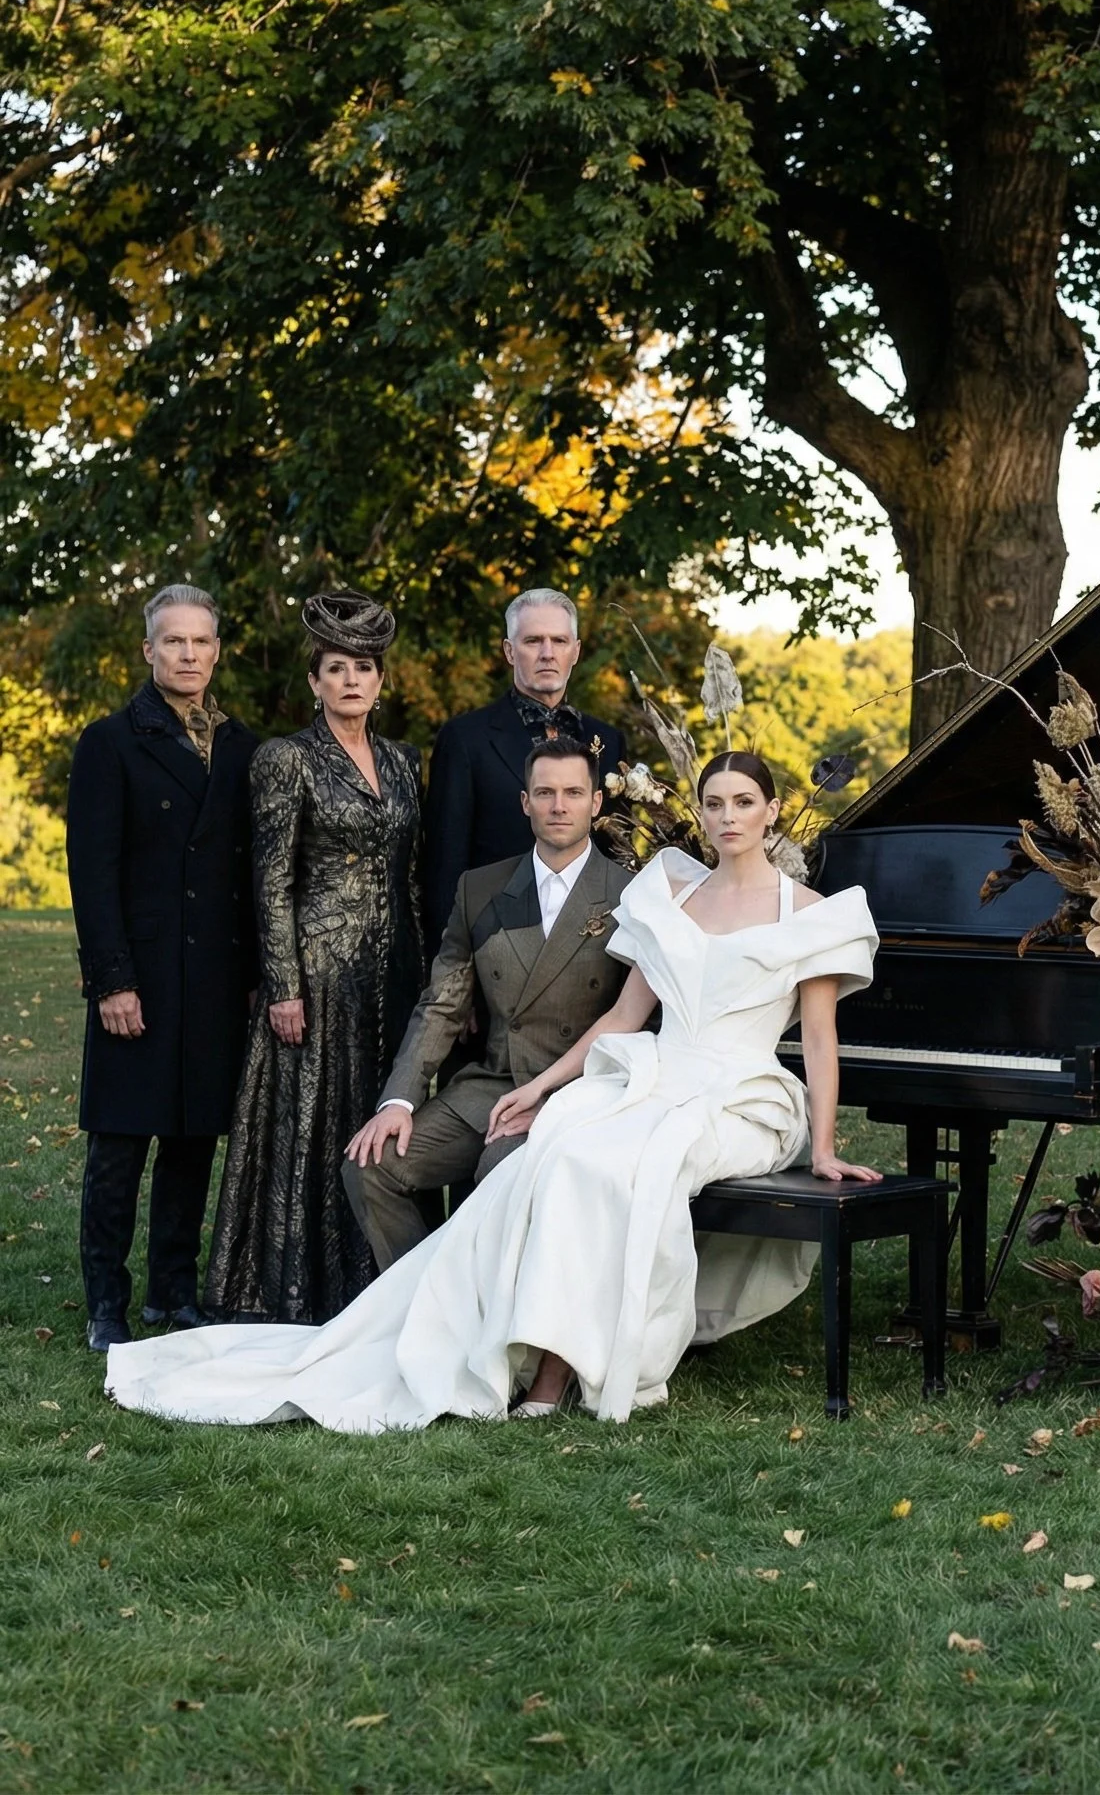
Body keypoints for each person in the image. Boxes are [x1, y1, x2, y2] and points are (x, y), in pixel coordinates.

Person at [104, 751, 881, 1431]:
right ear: (701, 813)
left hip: (741, 1093)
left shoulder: (810, 914)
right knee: (559, 1151)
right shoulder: (671, 898)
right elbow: (622, 1016)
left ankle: (565, 1365)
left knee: (610, 1169)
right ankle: (522, 1349)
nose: (728, 817)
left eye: (744, 802)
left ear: (774, 811)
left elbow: (817, 1038)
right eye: (714, 803)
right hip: (652, 1072)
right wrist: (540, 1086)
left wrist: (822, 1147)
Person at [203, 593, 425, 1324]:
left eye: (364, 668)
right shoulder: (285, 760)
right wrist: (282, 985)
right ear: (315, 682)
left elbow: (411, 872)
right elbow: (269, 880)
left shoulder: (401, 762)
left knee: (378, 1117)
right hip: (317, 974)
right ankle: (297, 1291)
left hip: (390, 976)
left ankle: (375, 1286)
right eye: (337, 669)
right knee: (310, 1124)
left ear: (381, 681)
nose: (352, 681)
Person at [340, 736, 634, 1268]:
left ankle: (489, 1321)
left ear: (596, 802)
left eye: (573, 792)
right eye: (545, 792)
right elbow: (443, 1004)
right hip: (492, 1086)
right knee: (370, 1165)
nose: (559, 805)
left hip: (578, 1097)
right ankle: (421, 1302)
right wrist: (398, 1102)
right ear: (525, 802)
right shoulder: (481, 887)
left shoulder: (630, 894)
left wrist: (558, 1099)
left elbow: (636, 1023)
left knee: (502, 1168)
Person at [67, 586, 260, 1352]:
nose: (188, 655)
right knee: (119, 1145)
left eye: (200, 642)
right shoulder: (111, 742)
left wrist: (251, 974)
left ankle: (172, 1294)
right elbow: (93, 869)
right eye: (173, 642)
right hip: (138, 977)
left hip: (212, 978)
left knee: (191, 1140)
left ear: (217, 651)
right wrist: (112, 980)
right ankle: (106, 1303)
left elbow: (245, 874)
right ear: (148, 650)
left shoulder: (242, 746)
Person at [421, 589, 625, 946]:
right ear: (509, 650)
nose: (548, 653)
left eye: (559, 641)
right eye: (533, 640)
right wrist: (452, 964)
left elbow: (618, 856)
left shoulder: (608, 740)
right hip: (495, 947)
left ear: (575, 651)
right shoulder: (465, 739)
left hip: (591, 947)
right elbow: (443, 866)